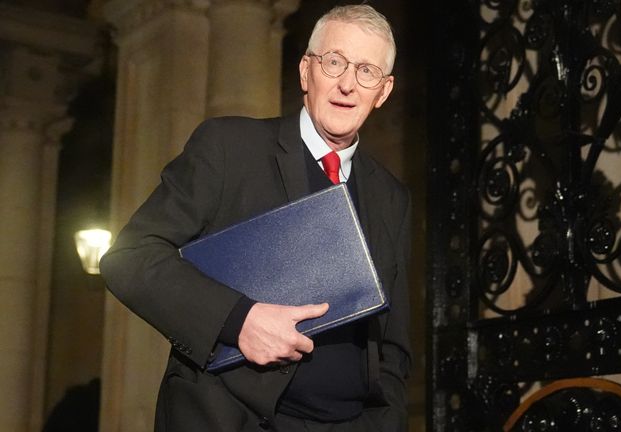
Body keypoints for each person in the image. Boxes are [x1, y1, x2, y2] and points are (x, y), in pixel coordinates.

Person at [99, 5, 411, 432]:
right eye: (334, 62)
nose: (346, 84)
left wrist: (383, 421)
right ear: (306, 72)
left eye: (366, 71)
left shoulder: (391, 196)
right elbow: (130, 257)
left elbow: (392, 343)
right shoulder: (230, 147)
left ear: (384, 91)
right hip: (234, 419)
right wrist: (237, 320)